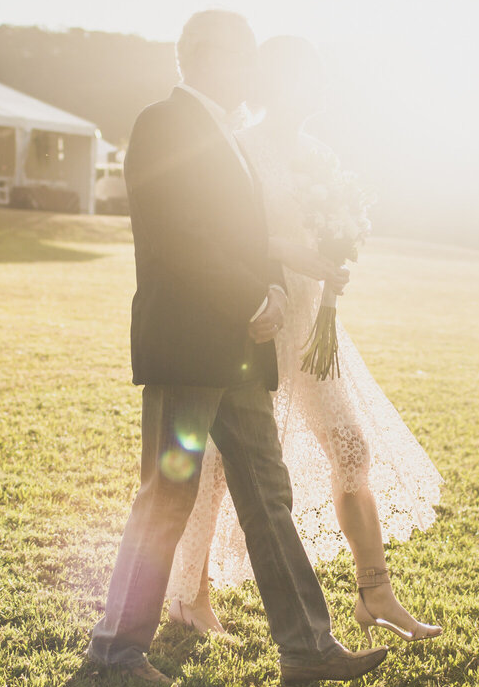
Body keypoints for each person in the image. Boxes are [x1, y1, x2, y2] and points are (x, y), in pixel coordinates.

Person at [85, 11, 388, 687]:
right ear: (198, 56)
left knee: (266, 490)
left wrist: (273, 291)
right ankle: (115, 650)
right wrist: (251, 300)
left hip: (238, 349)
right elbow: (181, 237)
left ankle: (306, 645)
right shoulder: (164, 123)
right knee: (169, 491)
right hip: (190, 344)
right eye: (239, 54)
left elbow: (243, 235)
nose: (249, 68)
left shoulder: (227, 133)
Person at [167, 35, 443, 648]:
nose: (318, 90)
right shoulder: (239, 150)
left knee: (351, 449)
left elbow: (332, 226)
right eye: (306, 78)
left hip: (317, 327)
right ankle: (190, 596)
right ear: (274, 82)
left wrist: (336, 259)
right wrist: (290, 258)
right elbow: (224, 239)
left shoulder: (319, 154)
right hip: (258, 319)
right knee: (218, 467)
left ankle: (376, 594)